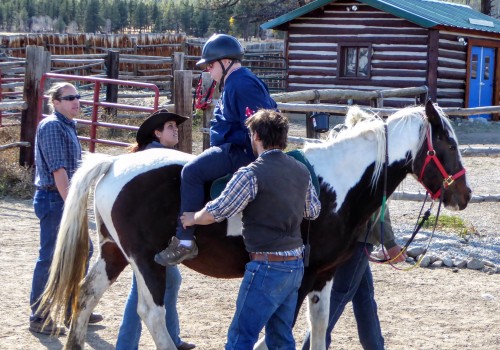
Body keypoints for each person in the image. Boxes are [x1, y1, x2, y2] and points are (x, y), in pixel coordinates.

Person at [179, 110, 321, 349]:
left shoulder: (251, 174)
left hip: (266, 265)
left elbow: (219, 210)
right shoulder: (301, 170)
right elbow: (313, 211)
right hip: (295, 265)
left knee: (240, 338)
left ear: (255, 136)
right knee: (281, 337)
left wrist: (193, 218)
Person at [154, 33, 278, 266]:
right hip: (235, 147)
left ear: (226, 61)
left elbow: (260, 126)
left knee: (191, 172)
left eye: (211, 64)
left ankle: (185, 241)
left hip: (239, 151)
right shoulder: (236, 81)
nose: (209, 70)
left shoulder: (241, 83)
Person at [116, 110, 195, 350]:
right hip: (149, 235)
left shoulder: (159, 157)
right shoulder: (154, 161)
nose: (175, 130)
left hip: (153, 234)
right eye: (170, 126)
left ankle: (171, 337)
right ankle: (127, 345)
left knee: (169, 280)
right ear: (157, 133)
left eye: (175, 126)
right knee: (142, 288)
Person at [29, 82, 102, 335]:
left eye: (77, 97)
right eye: (69, 97)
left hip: (64, 199)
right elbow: (58, 171)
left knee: (83, 250)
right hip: (55, 199)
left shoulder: (67, 126)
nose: (76, 101)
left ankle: (74, 309)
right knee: (50, 257)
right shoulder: (52, 126)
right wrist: (72, 204)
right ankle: (39, 315)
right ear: (56, 102)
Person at [301, 207, 407, 350]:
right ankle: (310, 346)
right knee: (340, 294)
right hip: (358, 239)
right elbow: (377, 205)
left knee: (365, 298)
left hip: (341, 236)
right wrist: (390, 243)